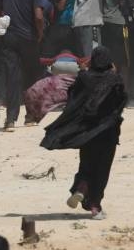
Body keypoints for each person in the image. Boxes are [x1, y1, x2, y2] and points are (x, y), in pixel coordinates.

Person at [41, 46, 127, 219]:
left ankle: (81, 188)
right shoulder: (115, 79)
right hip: (107, 132)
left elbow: (73, 97)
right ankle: (95, 206)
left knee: (87, 164)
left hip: (87, 132)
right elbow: (121, 102)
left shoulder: (84, 77)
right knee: (102, 169)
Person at [0, 0, 45, 131]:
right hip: (29, 38)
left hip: (10, 37)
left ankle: (10, 119)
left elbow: (1, 11)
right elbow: (39, 16)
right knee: (31, 77)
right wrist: (40, 33)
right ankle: (30, 116)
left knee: (12, 77)